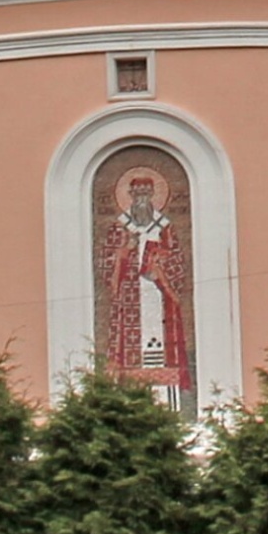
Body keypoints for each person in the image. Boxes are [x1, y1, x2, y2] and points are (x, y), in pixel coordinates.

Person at [101, 165, 194, 412]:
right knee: (131, 358)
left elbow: (177, 261)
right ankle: (127, 410)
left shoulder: (165, 228)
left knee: (161, 356)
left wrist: (160, 268)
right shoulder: (119, 228)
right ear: (130, 195)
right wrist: (124, 252)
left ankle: (170, 410)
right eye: (137, 193)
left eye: (146, 193)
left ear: (153, 195)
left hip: (158, 299)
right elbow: (106, 265)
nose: (141, 198)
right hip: (129, 302)